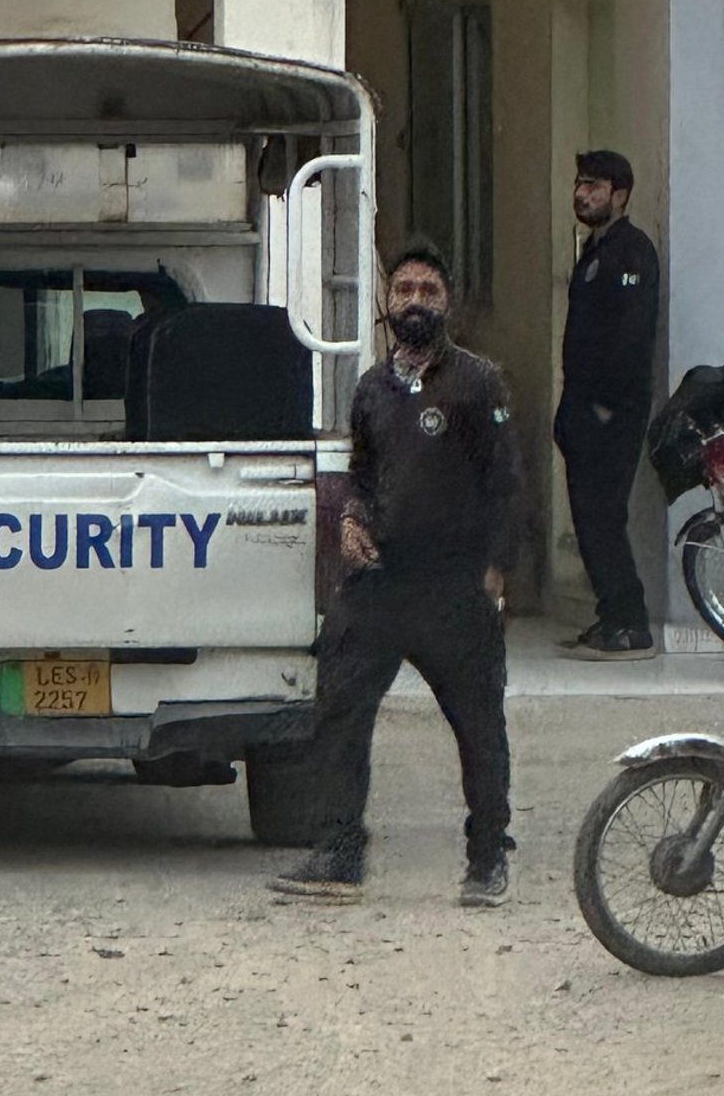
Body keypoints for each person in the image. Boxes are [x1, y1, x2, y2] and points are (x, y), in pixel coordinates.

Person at [272, 238, 523, 909]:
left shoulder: (478, 384)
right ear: (386, 302)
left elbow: (506, 484)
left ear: (448, 304)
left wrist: (497, 572)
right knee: (339, 709)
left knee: (478, 723)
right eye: (404, 289)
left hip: (452, 587)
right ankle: (339, 854)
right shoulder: (371, 389)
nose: (415, 301)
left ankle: (487, 858)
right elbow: (361, 472)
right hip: (378, 584)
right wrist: (352, 520)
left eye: (428, 291)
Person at [556, 150, 660, 659]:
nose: (582, 194)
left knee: (602, 517)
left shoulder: (632, 253)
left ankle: (631, 623)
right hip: (583, 412)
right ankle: (611, 614)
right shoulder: (595, 250)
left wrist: (604, 405)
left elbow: (630, 338)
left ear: (620, 195)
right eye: (580, 183)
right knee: (588, 518)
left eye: (594, 186)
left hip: (612, 413)